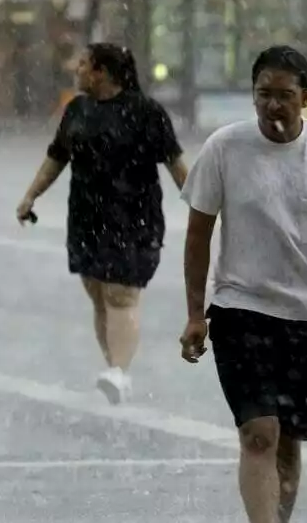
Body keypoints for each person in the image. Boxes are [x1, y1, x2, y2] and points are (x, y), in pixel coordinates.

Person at [179, 45, 307, 523]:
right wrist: (195, 314)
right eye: (263, 94)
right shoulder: (224, 147)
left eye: (284, 95)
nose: (272, 105)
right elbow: (198, 233)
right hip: (239, 310)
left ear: (306, 97)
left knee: (287, 441)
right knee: (258, 432)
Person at [16, 43, 188, 405]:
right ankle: (116, 369)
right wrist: (30, 196)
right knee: (98, 295)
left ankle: (119, 372)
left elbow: (176, 164)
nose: (75, 69)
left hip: (135, 218)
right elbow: (56, 158)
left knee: (120, 294)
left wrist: (204, 208)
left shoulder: (146, 112)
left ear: (102, 72)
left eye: (82, 64)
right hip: (86, 216)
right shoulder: (77, 110)